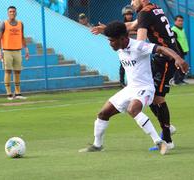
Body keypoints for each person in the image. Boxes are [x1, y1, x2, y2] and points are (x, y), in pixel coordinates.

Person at [79, 21, 188, 154]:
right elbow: (120, 31)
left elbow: (161, 49)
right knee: (103, 114)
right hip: (130, 88)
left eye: (112, 41)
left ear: (122, 39)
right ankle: (97, 145)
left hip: (145, 88)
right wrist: (105, 29)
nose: (110, 43)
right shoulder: (119, 43)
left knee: (133, 109)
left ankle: (159, 142)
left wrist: (178, 58)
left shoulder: (139, 46)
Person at [0, 6, 29, 100]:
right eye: (10, 11)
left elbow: (22, 37)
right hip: (7, 51)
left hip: (18, 50)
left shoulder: (20, 23)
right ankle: (9, 94)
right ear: (8, 13)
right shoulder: (3, 23)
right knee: (8, 71)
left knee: (18, 72)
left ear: (16, 13)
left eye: (14, 11)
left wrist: (26, 50)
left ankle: (18, 93)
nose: (12, 13)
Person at [119, 5, 137, 87]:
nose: (129, 16)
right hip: (124, 46)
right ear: (124, 15)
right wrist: (134, 32)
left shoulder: (135, 23)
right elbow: (122, 33)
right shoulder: (122, 24)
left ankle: (134, 81)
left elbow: (140, 31)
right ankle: (122, 81)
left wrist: (130, 32)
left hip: (134, 45)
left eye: (130, 14)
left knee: (135, 64)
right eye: (127, 14)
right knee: (123, 64)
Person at [171, 15, 189, 85]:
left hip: (183, 51)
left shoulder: (182, 29)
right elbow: (175, 42)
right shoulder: (173, 30)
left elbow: (182, 40)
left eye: (181, 21)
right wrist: (177, 52)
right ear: (175, 21)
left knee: (182, 65)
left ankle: (181, 79)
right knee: (178, 66)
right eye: (179, 21)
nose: (180, 22)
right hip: (177, 51)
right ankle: (176, 80)